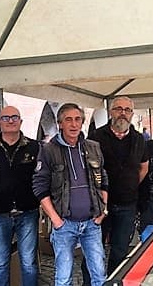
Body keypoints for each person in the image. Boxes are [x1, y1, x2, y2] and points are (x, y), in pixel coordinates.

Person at [32, 103, 108, 286]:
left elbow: (103, 180)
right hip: (65, 225)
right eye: (68, 120)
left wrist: (102, 211)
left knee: (99, 274)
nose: (74, 125)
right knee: (63, 277)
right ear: (60, 124)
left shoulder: (93, 147)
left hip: (92, 223)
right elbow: (39, 187)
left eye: (77, 119)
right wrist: (56, 220)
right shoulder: (49, 150)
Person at [82, 97, 148, 283]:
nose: (123, 113)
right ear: (111, 112)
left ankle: (111, 282)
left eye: (127, 110)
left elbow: (144, 167)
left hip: (127, 205)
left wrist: (130, 184)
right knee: (93, 250)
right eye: (119, 109)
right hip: (99, 205)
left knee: (119, 251)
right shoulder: (96, 137)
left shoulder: (139, 140)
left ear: (132, 114)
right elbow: (86, 169)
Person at [0, 106, 40, 286]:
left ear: (20, 121)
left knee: (28, 263)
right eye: (6, 118)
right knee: (0, 264)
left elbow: (41, 177)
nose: (10, 121)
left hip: (27, 211)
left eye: (14, 117)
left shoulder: (34, 147)